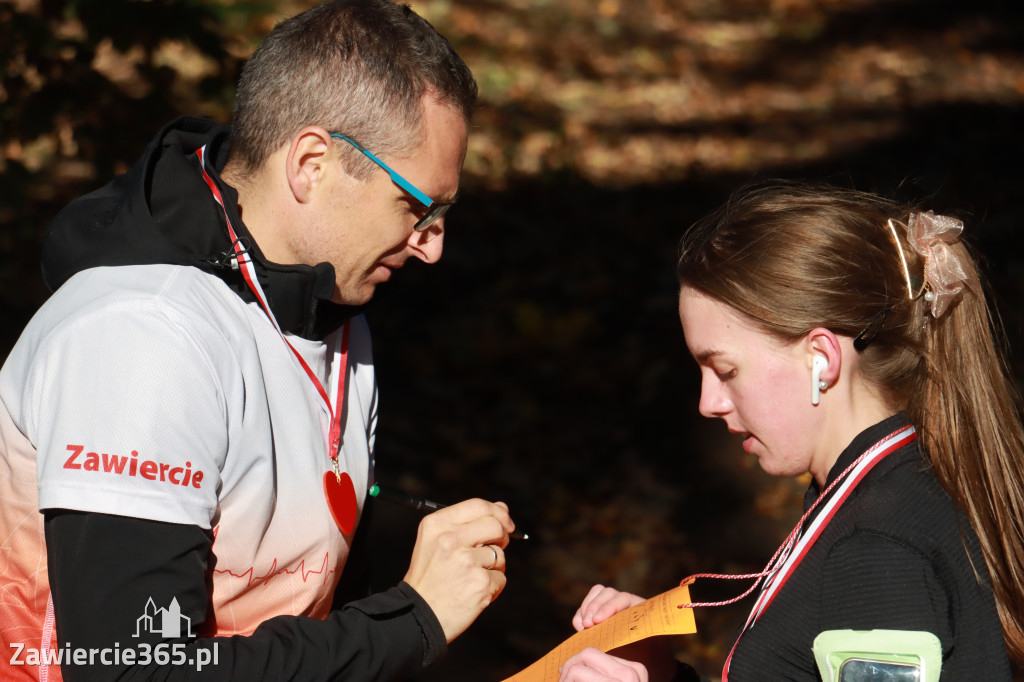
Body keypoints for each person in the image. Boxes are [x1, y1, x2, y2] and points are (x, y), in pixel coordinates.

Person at [0, 1, 517, 680]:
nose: (433, 246)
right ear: (311, 163)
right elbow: (131, 670)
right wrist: (411, 621)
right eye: (417, 208)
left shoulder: (333, 310)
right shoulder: (142, 336)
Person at [559, 181, 1024, 681]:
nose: (707, 403)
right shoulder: (888, 490)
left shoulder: (877, 548)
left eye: (726, 370)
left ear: (821, 359)